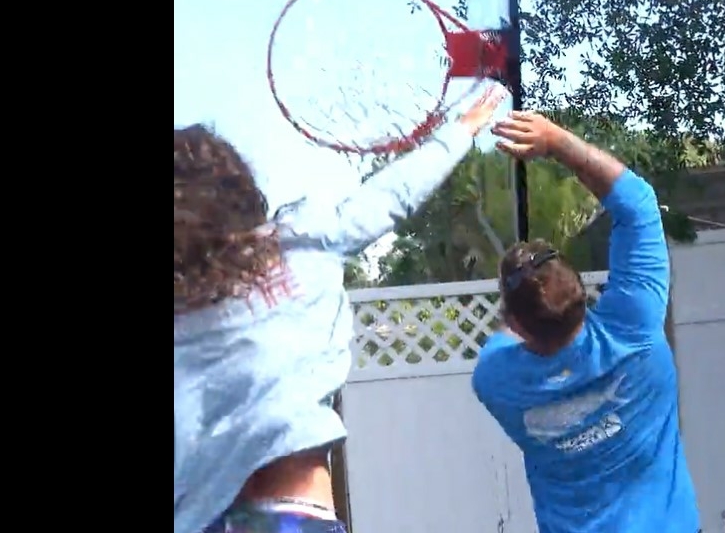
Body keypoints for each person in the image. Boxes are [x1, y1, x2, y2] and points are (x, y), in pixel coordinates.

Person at [174, 85, 506, 533]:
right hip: (291, 515)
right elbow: (392, 195)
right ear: (239, 188)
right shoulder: (303, 242)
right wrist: (460, 131)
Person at [471, 111, 699, 533]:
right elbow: (638, 205)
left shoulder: (495, 378)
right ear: (579, 291)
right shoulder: (634, 330)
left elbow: (507, 336)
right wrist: (556, 141)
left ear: (517, 323)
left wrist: (517, 306)